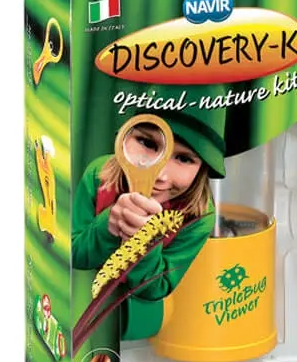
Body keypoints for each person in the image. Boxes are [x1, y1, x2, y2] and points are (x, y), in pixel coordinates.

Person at [71, 110, 226, 303]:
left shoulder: (200, 216)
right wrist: (109, 226)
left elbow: (157, 287)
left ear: (203, 168)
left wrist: (145, 243)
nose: (159, 174)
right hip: (87, 302)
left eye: (184, 159)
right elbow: (74, 252)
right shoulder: (98, 174)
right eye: (148, 144)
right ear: (124, 138)